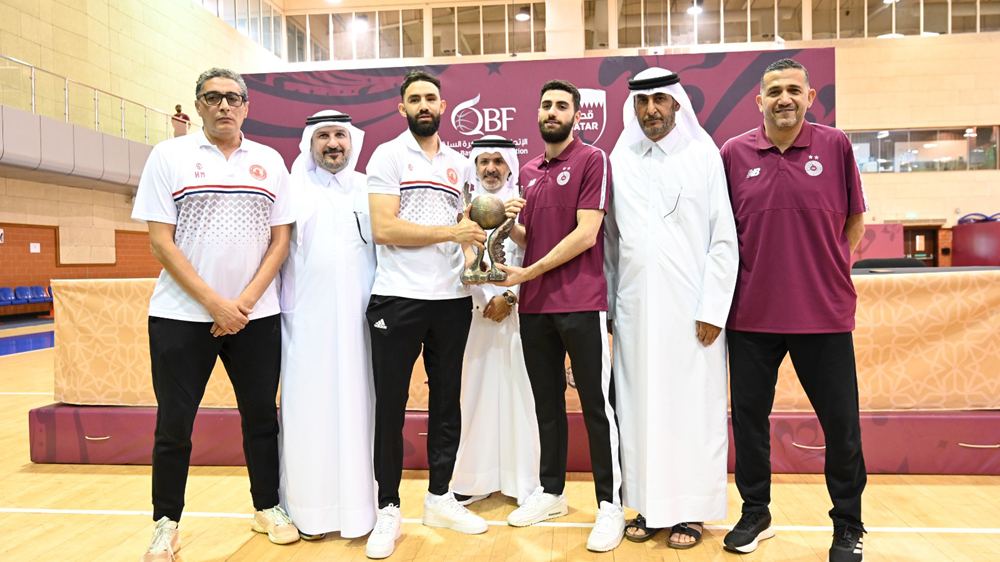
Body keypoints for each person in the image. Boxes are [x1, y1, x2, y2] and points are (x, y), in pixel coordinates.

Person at [131, 67, 298, 562]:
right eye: (213, 98)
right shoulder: (169, 156)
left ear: (247, 105)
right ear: (199, 105)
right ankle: (166, 523)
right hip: (181, 317)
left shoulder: (269, 161)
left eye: (233, 98)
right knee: (174, 425)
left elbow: (281, 240)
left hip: (256, 316)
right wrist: (214, 303)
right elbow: (161, 241)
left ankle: (267, 507)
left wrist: (242, 303)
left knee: (261, 418)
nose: (224, 105)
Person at [720, 58, 868, 562]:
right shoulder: (733, 153)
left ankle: (848, 524)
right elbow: (722, 235)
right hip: (750, 317)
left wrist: (823, 270)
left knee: (842, 426)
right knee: (749, 423)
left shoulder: (835, 146)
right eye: (774, 90)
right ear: (757, 100)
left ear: (809, 98)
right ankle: (755, 512)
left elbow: (855, 223)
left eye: (794, 90)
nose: (785, 98)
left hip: (822, 316)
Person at [606, 67, 738, 549]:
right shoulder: (619, 160)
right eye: (641, 103)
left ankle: (692, 510)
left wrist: (713, 308)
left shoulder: (704, 156)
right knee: (639, 409)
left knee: (691, 410)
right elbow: (610, 246)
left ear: (678, 105)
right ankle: (647, 505)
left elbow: (724, 241)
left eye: (659, 101)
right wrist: (609, 313)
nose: (650, 111)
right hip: (635, 312)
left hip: (693, 314)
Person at [493, 79, 623, 553]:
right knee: (546, 405)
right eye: (545, 104)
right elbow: (533, 238)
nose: (552, 111)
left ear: (576, 114)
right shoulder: (527, 171)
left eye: (561, 106)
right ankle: (551, 493)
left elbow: (587, 233)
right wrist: (512, 222)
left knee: (596, 406)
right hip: (536, 307)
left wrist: (529, 270)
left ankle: (611, 505)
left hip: (582, 302)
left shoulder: (593, 160)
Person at [364, 69, 488, 559]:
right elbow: (383, 227)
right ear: (402, 108)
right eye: (413, 98)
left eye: (430, 98)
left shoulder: (459, 164)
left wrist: (478, 258)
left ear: (442, 105)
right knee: (391, 407)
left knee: (446, 403)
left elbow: (468, 226)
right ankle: (388, 510)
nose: (422, 105)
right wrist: (451, 235)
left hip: (452, 300)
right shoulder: (388, 155)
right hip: (397, 297)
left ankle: (439, 497)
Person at [277, 110, 377, 541]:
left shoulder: (370, 187)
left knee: (359, 412)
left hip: (360, 326)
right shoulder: (291, 187)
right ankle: (309, 512)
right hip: (306, 326)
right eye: (323, 136)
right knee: (307, 415)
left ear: (352, 140)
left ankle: (359, 512)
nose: (333, 143)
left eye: (340, 135)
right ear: (309, 143)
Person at [451, 135, 540, 508]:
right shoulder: (463, 209)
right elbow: (462, 260)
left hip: (521, 314)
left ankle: (525, 482)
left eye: (498, 162)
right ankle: (477, 477)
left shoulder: (526, 204)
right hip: (476, 318)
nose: (490, 168)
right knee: (477, 397)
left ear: (509, 167)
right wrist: (486, 299)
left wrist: (508, 298)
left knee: (523, 397)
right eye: (483, 162)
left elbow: (539, 256)